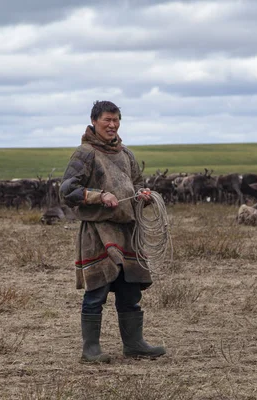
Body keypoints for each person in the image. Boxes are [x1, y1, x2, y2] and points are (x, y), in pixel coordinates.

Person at [60, 100, 166, 363]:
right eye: (107, 119)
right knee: (97, 290)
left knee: (130, 291)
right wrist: (98, 196)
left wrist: (143, 193)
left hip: (128, 230)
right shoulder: (85, 153)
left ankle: (134, 344)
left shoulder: (126, 154)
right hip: (99, 231)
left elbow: (137, 182)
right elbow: (66, 190)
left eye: (116, 119)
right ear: (94, 121)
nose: (112, 124)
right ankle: (91, 350)